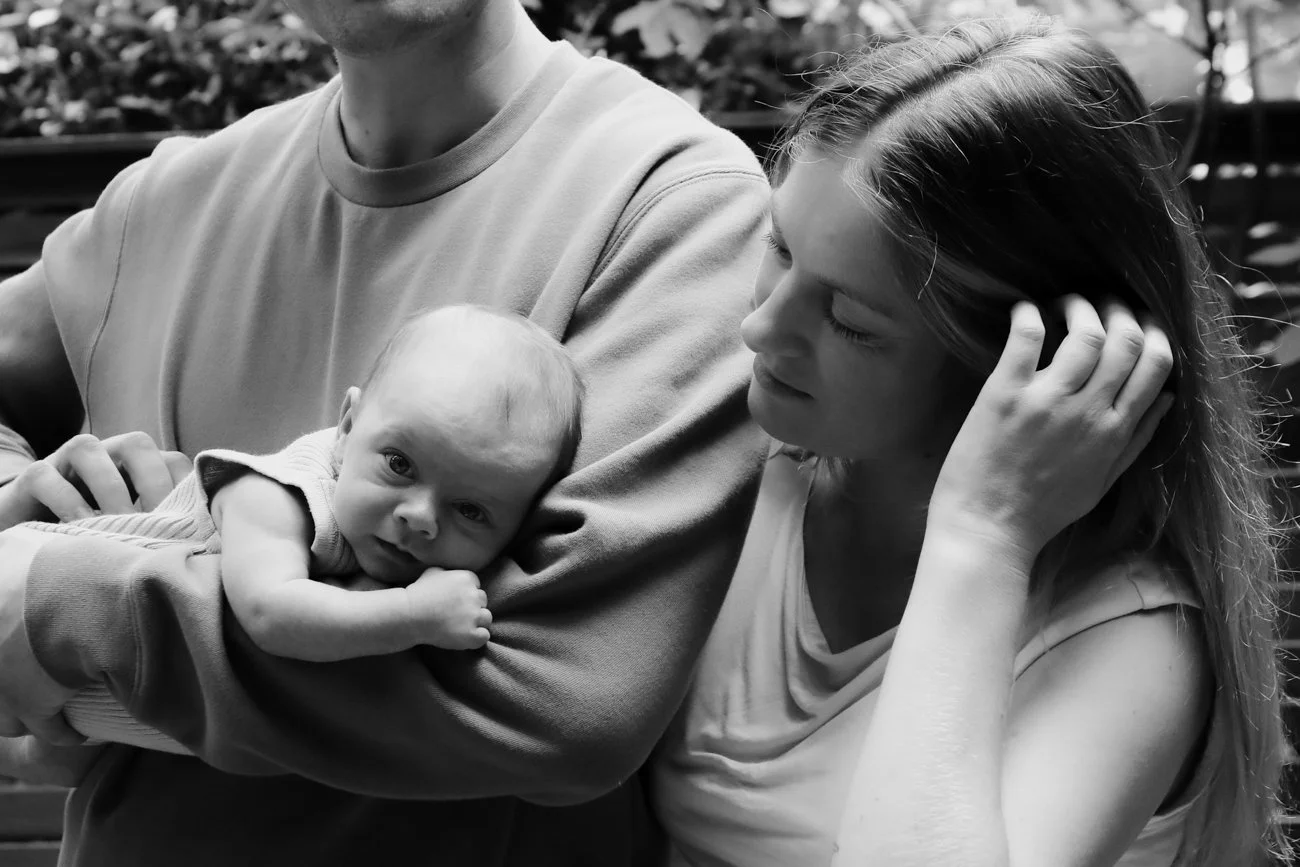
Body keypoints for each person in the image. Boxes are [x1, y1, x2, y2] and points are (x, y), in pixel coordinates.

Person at [0, 0, 770, 863]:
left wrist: (50, 601)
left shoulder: (672, 204)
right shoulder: (163, 201)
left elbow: (559, 703)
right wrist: (16, 495)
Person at [652, 17, 1287, 867]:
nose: (763, 325)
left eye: (848, 319)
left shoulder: (1128, 637)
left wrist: (983, 538)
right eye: (779, 247)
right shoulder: (745, 470)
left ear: (1042, 359)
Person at [0, 304, 582, 776]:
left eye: (472, 510)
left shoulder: (385, 524)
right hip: (29, 592)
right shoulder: (277, 493)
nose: (420, 516)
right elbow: (269, 613)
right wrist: (411, 613)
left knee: (49, 751)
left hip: (98, 700)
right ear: (348, 427)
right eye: (400, 465)